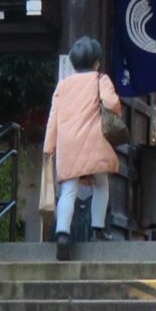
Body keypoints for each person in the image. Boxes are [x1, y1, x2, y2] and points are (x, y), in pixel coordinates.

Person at [41, 37, 123, 246]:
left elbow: (53, 117)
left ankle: (62, 234)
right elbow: (112, 103)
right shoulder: (99, 79)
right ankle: (98, 229)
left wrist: (49, 147)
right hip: (94, 141)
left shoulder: (63, 85)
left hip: (68, 144)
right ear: (96, 62)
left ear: (73, 63)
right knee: (101, 184)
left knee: (69, 189)